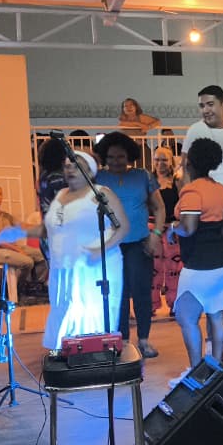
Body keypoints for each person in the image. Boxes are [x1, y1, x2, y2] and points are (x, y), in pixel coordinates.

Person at [0, 152, 128, 350]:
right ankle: (68, 352)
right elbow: (48, 228)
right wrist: (20, 231)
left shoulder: (101, 194)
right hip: (63, 266)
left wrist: (98, 251)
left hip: (93, 268)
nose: (70, 170)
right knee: (64, 307)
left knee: (87, 313)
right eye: (67, 166)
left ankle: (91, 355)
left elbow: (123, 227)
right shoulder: (60, 195)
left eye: (76, 165)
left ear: (90, 170)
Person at [93, 132, 166, 359]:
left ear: (130, 156)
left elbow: (160, 208)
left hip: (139, 243)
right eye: (111, 157)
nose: (116, 161)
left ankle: (144, 340)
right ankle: (122, 341)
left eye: (121, 157)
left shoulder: (143, 176)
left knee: (142, 292)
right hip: (111, 245)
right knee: (118, 294)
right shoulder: (97, 179)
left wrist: (156, 235)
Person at [171, 138, 223, 369]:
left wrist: (173, 228)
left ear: (189, 162)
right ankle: (216, 369)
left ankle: (196, 371)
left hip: (199, 265)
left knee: (186, 317)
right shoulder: (221, 190)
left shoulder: (191, 192)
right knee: (216, 314)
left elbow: (188, 228)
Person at [0, 185, 48, 292]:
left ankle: (34, 285)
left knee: (43, 255)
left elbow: (22, 226)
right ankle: (16, 289)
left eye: (0, 194)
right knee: (27, 261)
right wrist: (18, 250)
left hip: (10, 248)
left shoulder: (5, 215)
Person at [182, 86, 223, 195]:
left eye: (210, 104)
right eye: (202, 106)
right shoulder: (195, 130)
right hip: (205, 198)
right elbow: (185, 168)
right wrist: (188, 195)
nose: (205, 110)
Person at [150, 146, 181, 314]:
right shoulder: (149, 180)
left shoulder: (177, 181)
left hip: (171, 229)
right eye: (157, 159)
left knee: (174, 268)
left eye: (164, 160)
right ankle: (151, 304)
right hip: (152, 228)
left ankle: (174, 303)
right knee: (152, 268)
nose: (160, 163)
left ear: (171, 162)